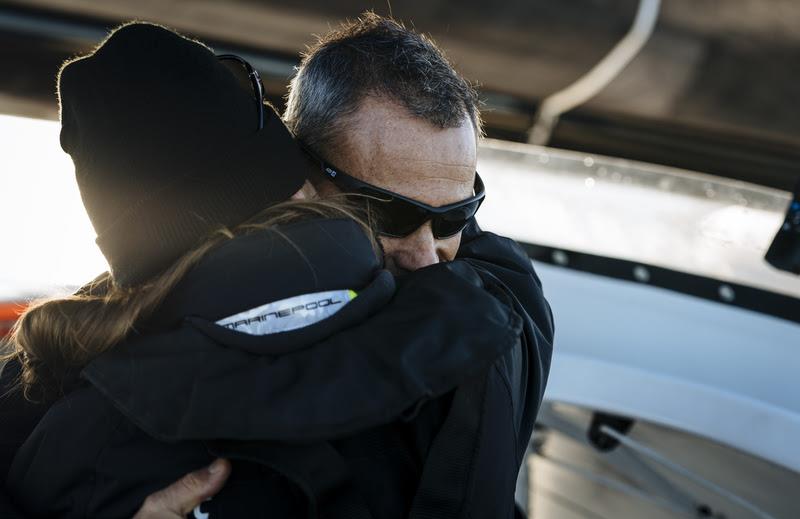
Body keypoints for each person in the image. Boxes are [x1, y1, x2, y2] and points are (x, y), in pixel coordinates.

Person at [2, 21, 552, 518]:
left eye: (457, 215)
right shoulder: (503, 304)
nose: (427, 257)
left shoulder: (86, 409)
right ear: (302, 180)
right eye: (385, 212)